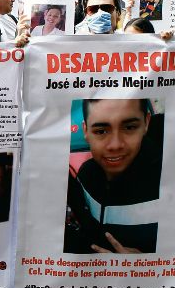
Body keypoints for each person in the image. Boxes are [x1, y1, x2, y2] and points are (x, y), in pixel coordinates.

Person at [64, 99, 160, 254]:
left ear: (146, 122)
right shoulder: (85, 175)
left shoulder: (172, 182)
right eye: (101, 131)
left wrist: (147, 263)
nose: (115, 145)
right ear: (85, 131)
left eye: (129, 127)